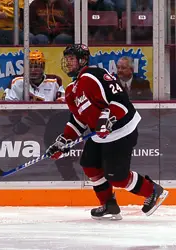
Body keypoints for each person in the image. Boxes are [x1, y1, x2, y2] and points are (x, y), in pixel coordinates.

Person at [46, 44, 168, 220]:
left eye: (71, 59)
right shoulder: (71, 90)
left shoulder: (94, 75)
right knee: (89, 165)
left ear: (82, 60)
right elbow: (79, 120)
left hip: (122, 130)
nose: (68, 63)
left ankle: (153, 190)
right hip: (100, 135)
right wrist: (64, 140)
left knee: (117, 177)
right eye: (66, 59)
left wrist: (108, 118)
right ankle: (109, 205)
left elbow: (120, 100)